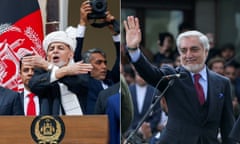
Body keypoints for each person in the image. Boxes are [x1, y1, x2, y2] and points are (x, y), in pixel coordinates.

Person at [123, 16, 235, 144]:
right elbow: (149, 73)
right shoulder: (172, 76)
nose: (188, 55)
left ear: (206, 51)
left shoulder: (222, 83)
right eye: (183, 50)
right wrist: (133, 49)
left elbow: (228, 125)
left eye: (194, 49)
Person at [24, 29, 93, 115]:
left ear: (70, 54)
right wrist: (65, 71)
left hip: (80, 124)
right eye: (51, 49)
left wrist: (51, 67)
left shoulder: (79, 68)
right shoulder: (41, 72)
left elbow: (80, 85)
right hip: (52, 124)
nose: (55, 51)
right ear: (48, 57)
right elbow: (33, 85)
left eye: (60, 48)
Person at [73, 1, 120, 114]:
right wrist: (82, 23)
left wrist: (115, 33)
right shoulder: (84, 81)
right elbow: (77, 56)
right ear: (87, 66)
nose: (104, 66)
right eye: (98, 63)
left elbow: (120, 60)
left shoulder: (111, 80)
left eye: (105, 62)